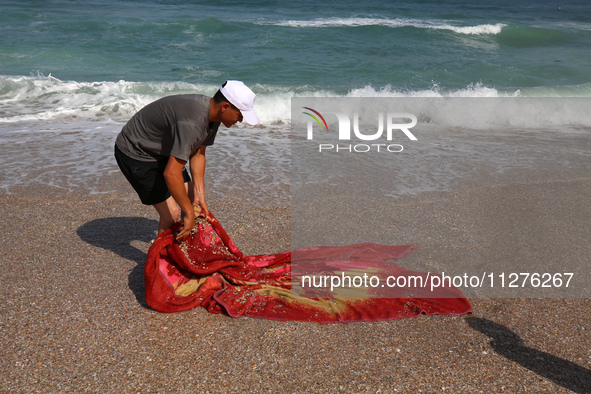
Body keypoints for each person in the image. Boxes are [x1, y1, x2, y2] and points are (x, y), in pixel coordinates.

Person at [114, 80, 258, 239]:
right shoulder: (193, 122)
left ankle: (182, 248)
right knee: (172, 214)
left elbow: (198, 153)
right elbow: (171, 174)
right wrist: (188, 212)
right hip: (136, 152)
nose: (241, 120)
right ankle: (158, 261)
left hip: (162, 150)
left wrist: (199, 194)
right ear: (225, 107)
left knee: (192, 200)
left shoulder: (213, 115)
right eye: (240, 114)